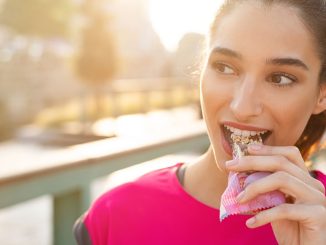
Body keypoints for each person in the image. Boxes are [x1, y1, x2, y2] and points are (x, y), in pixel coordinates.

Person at [74, 0, 326, 244]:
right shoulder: (115, 216)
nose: (242, 107)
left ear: (321, 94)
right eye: (225, 67)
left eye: (280, 78)